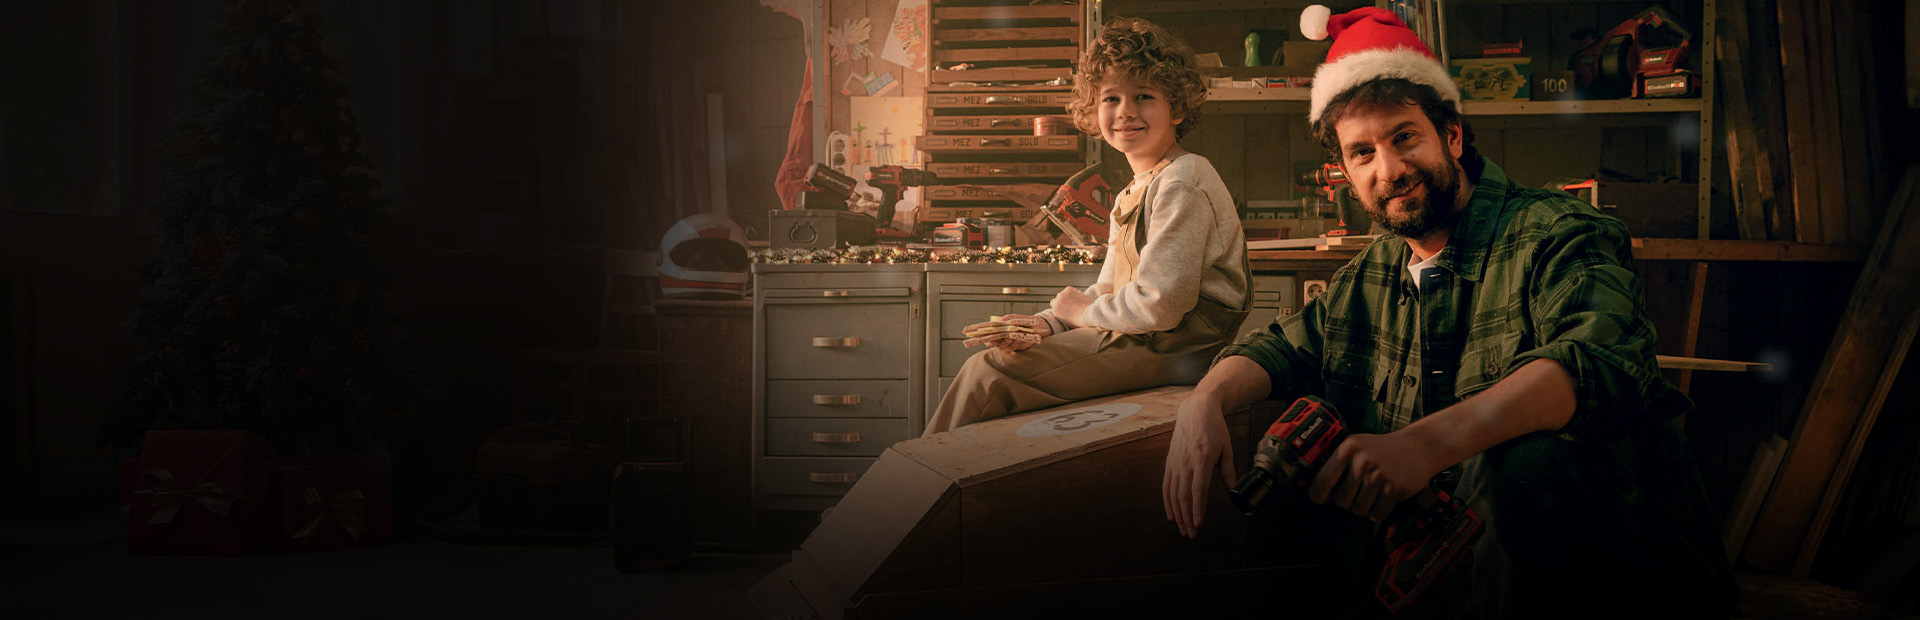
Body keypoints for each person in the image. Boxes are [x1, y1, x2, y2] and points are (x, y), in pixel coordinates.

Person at [1158, 6, 1737, 619]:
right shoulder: (1370, 275)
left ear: (1451, 136)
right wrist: (1206, 401)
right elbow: (1278, 345)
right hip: (1452, 585)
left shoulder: (1563, 235)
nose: (1389, 170)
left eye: (1404, 137)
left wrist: (1423, 446)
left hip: (1617, 583)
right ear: (1345, 175)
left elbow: (1590, 363)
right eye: (1362, 154)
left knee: (1527, 462)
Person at [922, 17, 1252, 435]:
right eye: (1111, 98)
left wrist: (1079, 313)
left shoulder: (1183, 179)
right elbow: (1109, 290)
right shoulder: (1134, 190)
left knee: (991, 373)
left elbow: (1162, 306)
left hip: (1182, 346)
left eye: (1144, 95)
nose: (1125, 111)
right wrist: (1049, 323)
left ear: (1178, 107)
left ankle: (905, 500)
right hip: (1148, 338)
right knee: (995, 364)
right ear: (1092, 111)